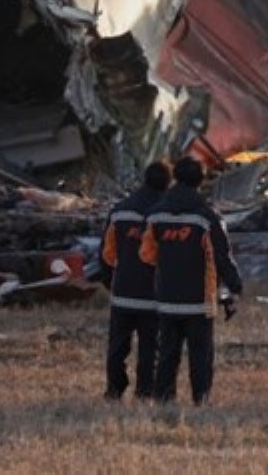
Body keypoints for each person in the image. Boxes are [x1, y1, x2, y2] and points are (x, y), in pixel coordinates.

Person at [139, 157, 243, 405]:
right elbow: (221, 255)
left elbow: (146, 255)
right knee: (201, 356)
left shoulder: (155, 217)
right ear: (201, 181)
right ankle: (200, 400)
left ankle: (163, 400)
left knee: (166, 354)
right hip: (199, 302)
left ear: (175, 178)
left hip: (167, 299)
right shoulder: (207, 217)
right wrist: (235, 286)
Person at [100, 159, 170, 401]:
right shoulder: (167, 216)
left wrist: (109, 281)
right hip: (154, 295)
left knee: (118, 347)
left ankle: (114, 390)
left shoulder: (120, 211)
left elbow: (107, 254)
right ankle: (144, 391)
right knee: (150, 347)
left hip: (123, 292)